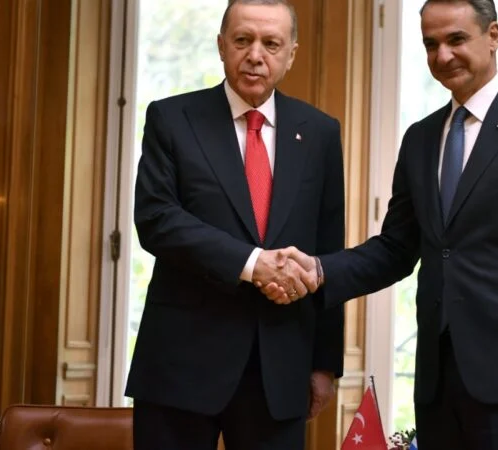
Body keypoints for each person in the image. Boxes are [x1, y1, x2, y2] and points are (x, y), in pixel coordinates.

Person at [263, 0, 498, 448]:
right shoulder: (420, 138)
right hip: (437, 384)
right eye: (430, 44)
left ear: (493, 36)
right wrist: (319, 270)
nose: (443, 55)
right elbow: (396, 249)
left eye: (456, 39)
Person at [124, 0, 345, 449]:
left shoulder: (320, 133)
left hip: (279, 368)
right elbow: (157, 219)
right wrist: (252, 263)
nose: (255, 55)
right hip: (181, 366)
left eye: (271, 44)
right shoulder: (172, 119)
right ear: (221, 46)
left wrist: (324, 363)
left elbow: (328, 249)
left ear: (291, 54)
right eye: (243, 40)